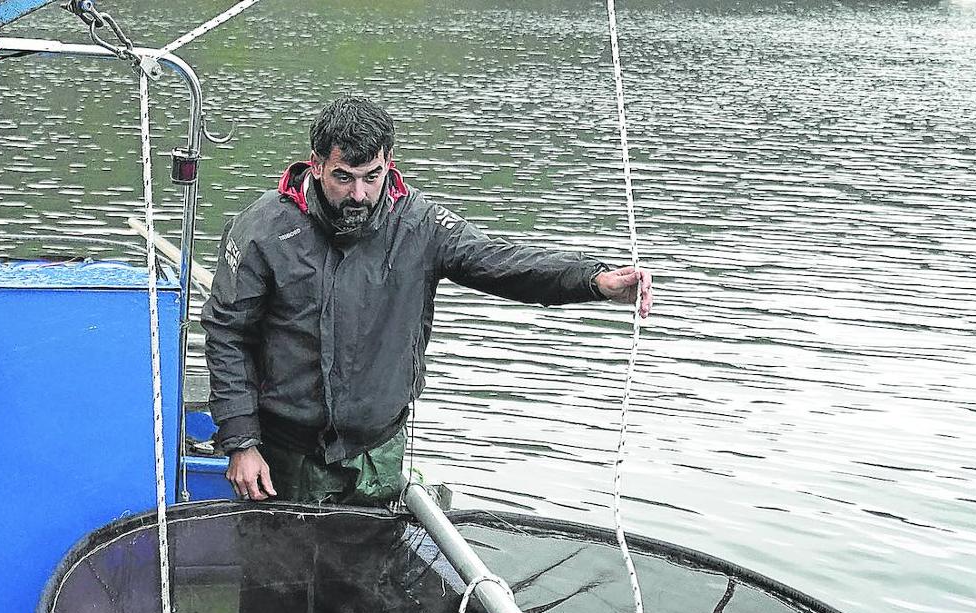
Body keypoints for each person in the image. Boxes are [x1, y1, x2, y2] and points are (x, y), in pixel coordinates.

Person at [201, 95, 652, 505]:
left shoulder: (420, 224)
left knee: (369, 579)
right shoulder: (263, 228)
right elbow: (227, 334)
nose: (359, 194)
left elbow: (500, 262)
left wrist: (593, 280)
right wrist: (242, 442)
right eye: (343, 177)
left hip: (379, 447)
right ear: (316, 164)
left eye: (371, 177)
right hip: (283, 452)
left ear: (388, 164)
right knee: (277, 581)